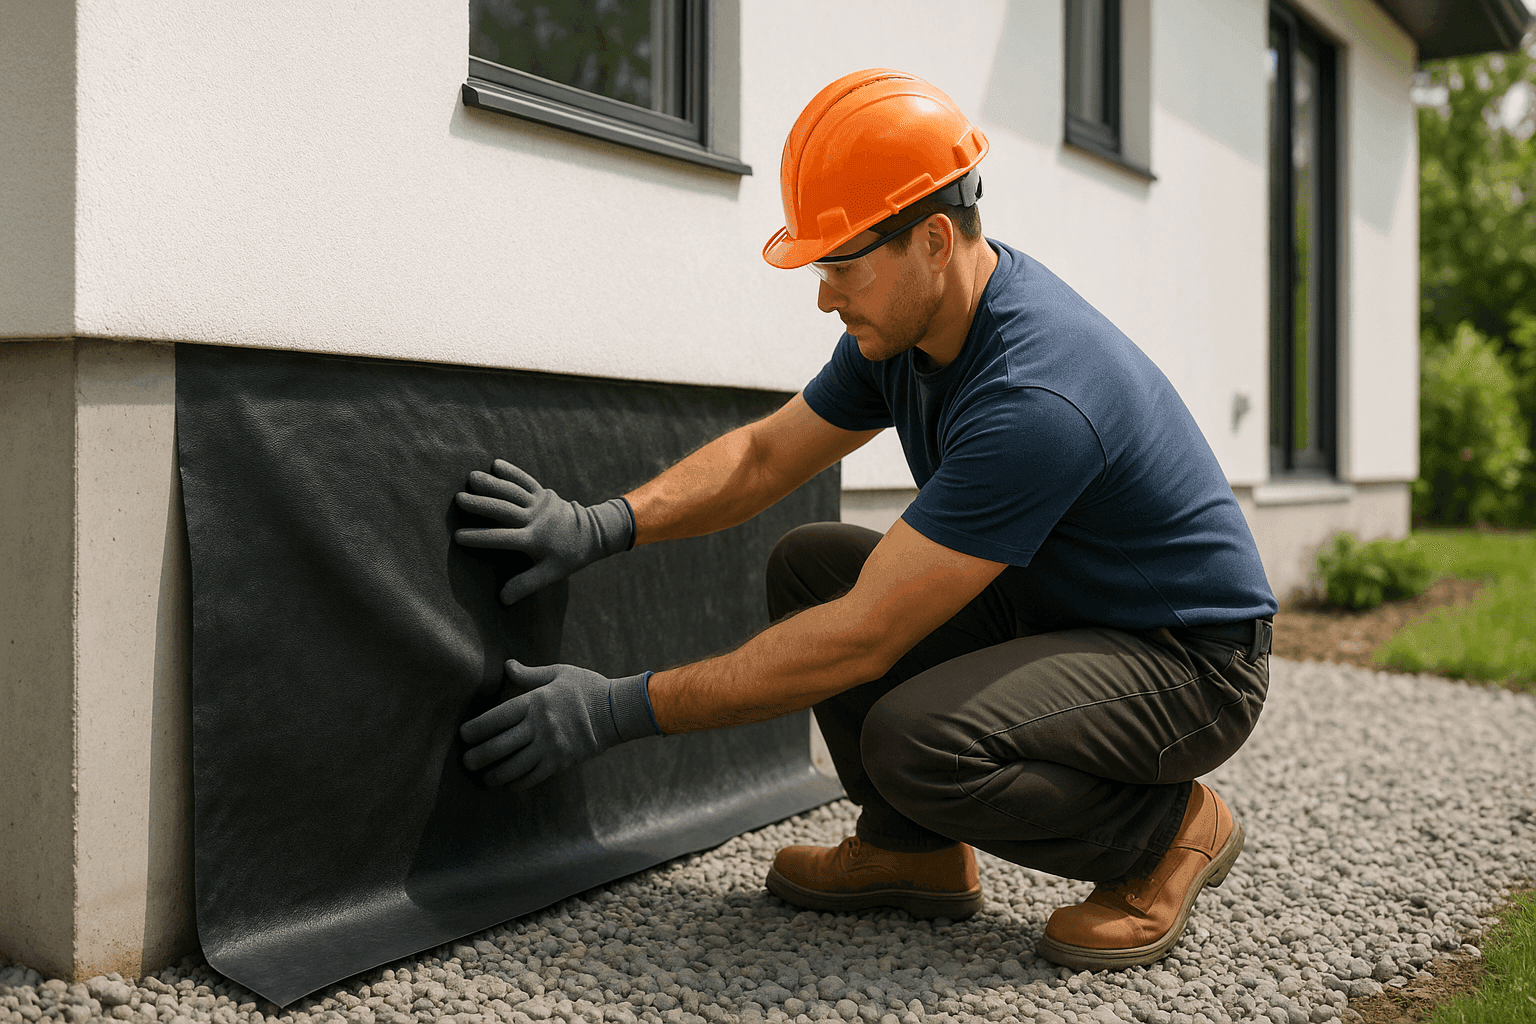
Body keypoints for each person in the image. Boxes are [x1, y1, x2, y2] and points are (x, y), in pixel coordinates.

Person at [452, 68, 1278, 971]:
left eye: (841, 267)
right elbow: (767, 457)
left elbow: (861, 641)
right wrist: (597, 524)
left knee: (915, 738)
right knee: (814, 564)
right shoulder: (909, 329)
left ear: (932, 239)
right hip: (1061, 608)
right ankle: (911, 849)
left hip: (1188, 659)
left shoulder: (1032, 394)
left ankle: (1162, 835)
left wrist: (615, 710)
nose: (823, 296)